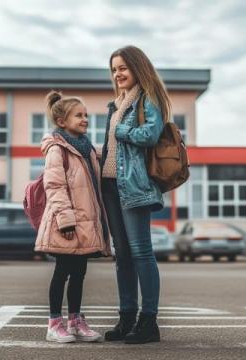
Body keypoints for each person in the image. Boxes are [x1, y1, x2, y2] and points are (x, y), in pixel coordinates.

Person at [101, 45, 171, 344]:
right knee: (122, 256)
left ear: (137, 68)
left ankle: (148, 322)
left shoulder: (147, 98)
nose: (118, 73)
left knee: (141, 251)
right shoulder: (115, 104)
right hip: (109, 184)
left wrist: (122, 132)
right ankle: (127, 318)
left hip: (133, 184)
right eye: (114, 69)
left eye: (123, 68)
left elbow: (151, 135)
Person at [34, 90, 111, 343]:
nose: (85, 119)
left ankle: (76, 321)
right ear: (61, 122)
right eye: (79, 115)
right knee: (62, 272)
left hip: (84, 224)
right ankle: (54, 323)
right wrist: (66, 220)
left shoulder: (86, 148)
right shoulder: (57, 149)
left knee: (79, 273)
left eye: (86, 115)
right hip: (65, 223)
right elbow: (54, 186)